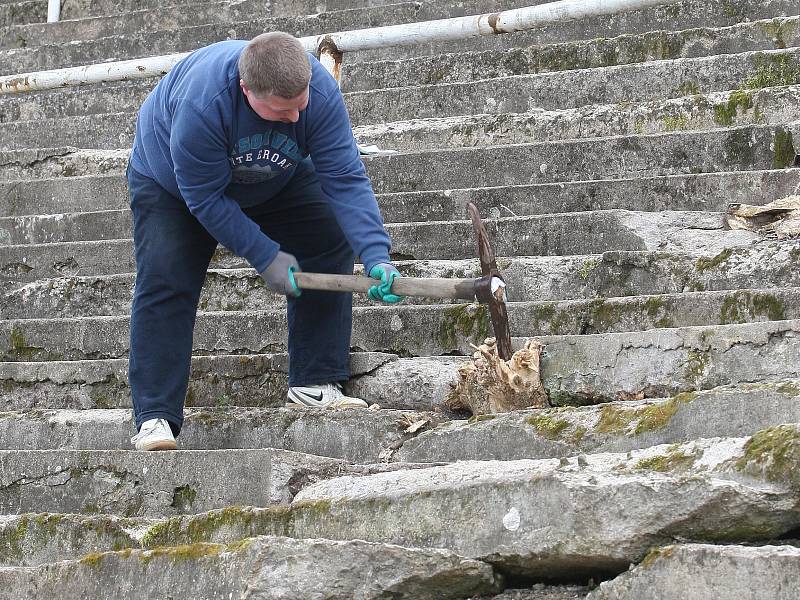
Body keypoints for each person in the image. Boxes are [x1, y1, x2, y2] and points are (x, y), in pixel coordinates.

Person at [126, 32, 404, 451]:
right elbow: (206, 199)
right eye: (281, 110)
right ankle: (155, 417)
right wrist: (265, 255)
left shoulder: (319, 94)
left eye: (301, 104)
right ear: (246, 89)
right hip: (172, 186)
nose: (296, 118)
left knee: (327, 233)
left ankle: (313, 381)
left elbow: (345, 179)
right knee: (166, 279)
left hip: (277, 176)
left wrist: (376, 254)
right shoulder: (203, 105)